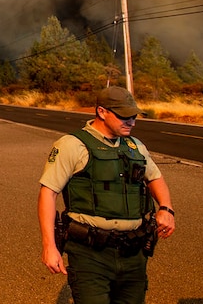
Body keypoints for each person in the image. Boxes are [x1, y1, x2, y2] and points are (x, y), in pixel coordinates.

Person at [38, 85, 176, 304]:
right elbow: (48, 193)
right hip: (90, 253)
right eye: (124, 116)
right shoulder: (72, 145)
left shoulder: (135, 146)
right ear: (101, 112)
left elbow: (155, 178)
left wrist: (166, 209)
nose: (131, 122)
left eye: (134, 116)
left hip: (134, 253)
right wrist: (49, 246)